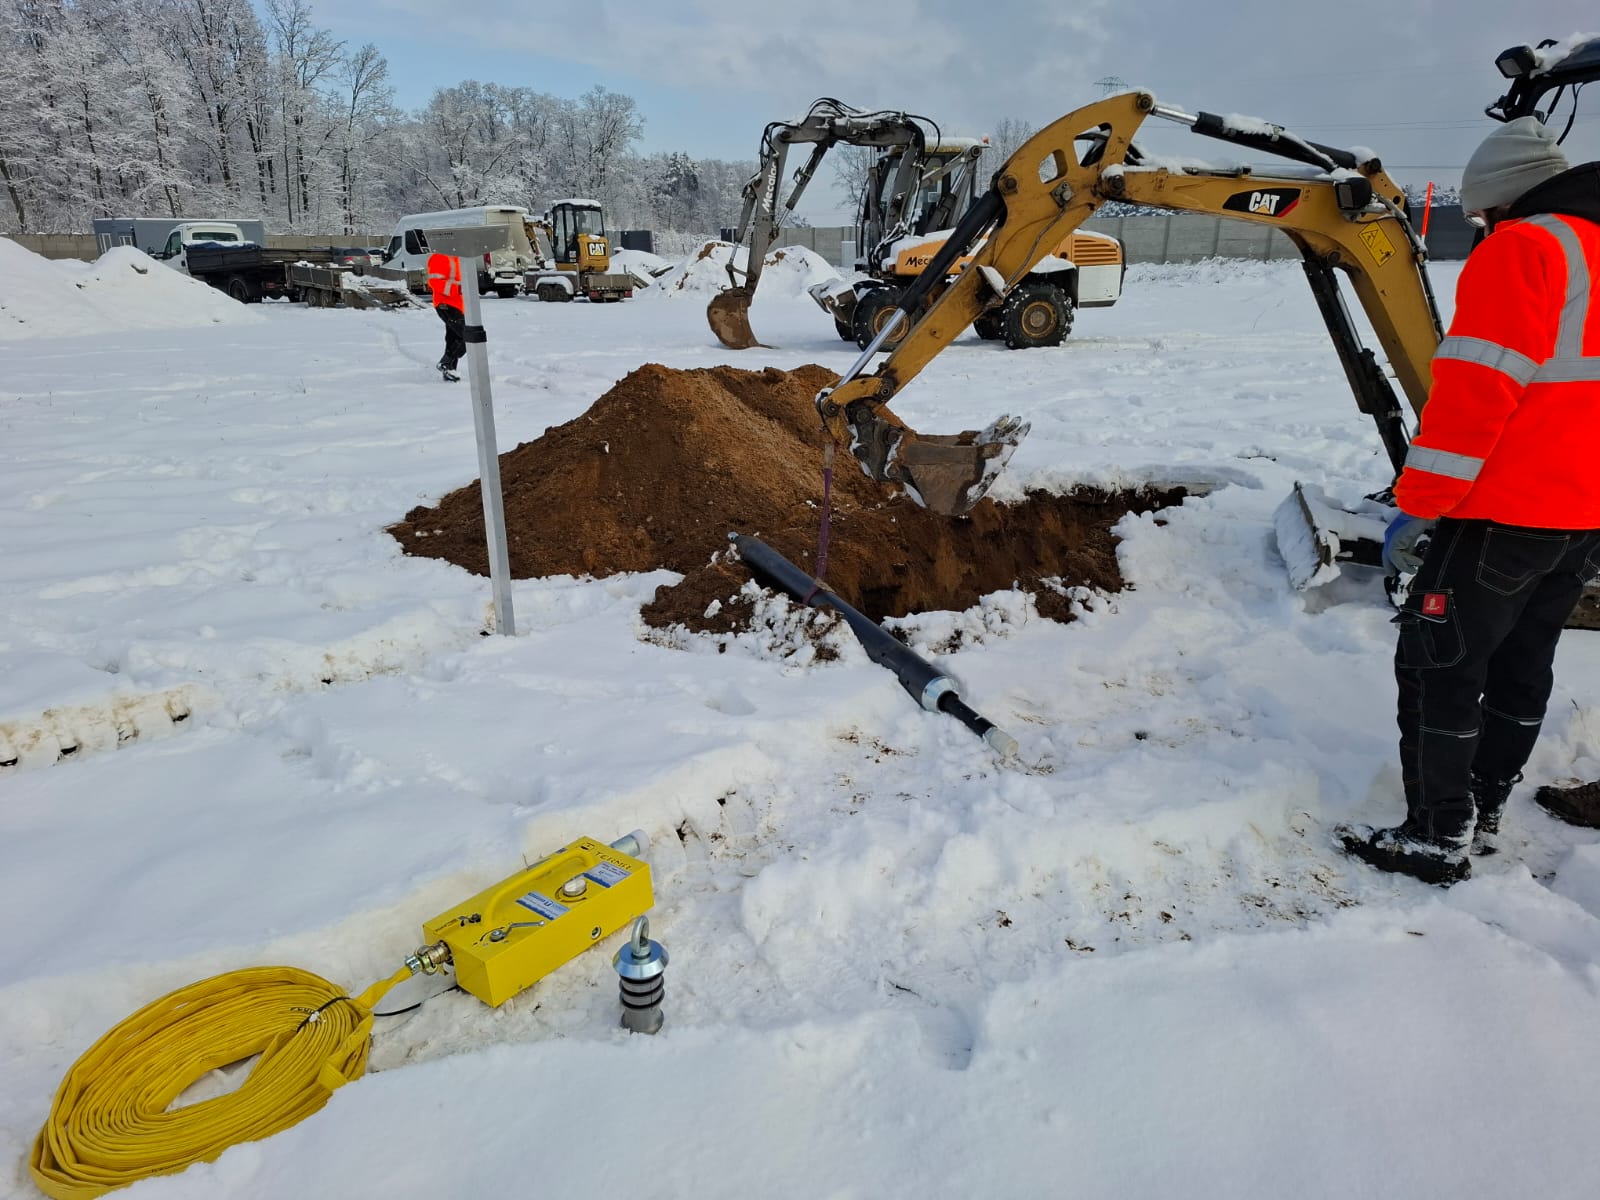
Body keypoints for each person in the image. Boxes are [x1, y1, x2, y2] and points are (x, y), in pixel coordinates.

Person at [1339, 116, 1600, 885]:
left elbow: (1475, 392)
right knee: (1525, 658)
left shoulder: (1526, 248)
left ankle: (1435, 832)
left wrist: (1420, 502)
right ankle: (1485, 805)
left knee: (1438, 663)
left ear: (1504, 199)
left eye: (1481, 213)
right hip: (1582, 516)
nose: (1480, 226)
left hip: (1505, 510)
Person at [427, 251, 465, 382]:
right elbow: (434, 282)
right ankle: (446, 362)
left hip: (457, 305)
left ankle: (449, 372)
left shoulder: (457, 257)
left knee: (453, 338)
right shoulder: (439, 257)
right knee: (468, 336)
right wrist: (458, 289)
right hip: (445, 304)